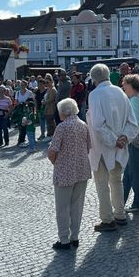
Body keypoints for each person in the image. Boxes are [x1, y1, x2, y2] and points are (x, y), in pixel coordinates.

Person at [87, 63, 138, 232]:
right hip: (119, 145)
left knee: (102, 183)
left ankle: (107, 219)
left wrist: (114, 140)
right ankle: (120, 214)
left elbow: (98, 124)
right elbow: (132, 122)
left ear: (94, 79)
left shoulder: (95, 95)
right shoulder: (120, 92)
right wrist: (124, 137)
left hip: (103, 147)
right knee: (116, 180)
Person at [48, 98, 91, 251]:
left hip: (65, 171)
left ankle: (64, 239)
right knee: (77, 206)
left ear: (63, 112)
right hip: (82, 170)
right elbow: (88, 147)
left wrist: (56, 163)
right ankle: (75, 237)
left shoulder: (62, 127)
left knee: (62, 207)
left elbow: (52, 151)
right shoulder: (83, 125)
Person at [122, 74, 139, 210]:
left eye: (125, 84)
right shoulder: (135, 98)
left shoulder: (135, 100)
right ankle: (121, 203)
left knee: (134, 172)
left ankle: (138, 203)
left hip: (134, 141)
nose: (123, 86)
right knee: (128, 173)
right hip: (133, 141)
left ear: (131, 86)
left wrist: (128, 132)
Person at [43, 74, 58, 139]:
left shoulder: (53, 89)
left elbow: (51, 99)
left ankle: (51, 135)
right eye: (45, 82)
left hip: (51, 108)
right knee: (49, 122)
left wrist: (44, 102)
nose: (46, 84)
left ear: (51, 81)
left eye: (47, 82)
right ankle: (50, 134)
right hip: (47, 108)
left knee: (51, 122)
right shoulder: (48, 89)